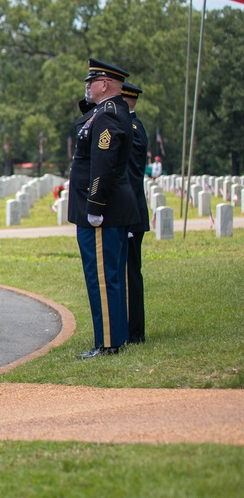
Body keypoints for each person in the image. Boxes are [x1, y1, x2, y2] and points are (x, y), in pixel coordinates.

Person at [68, 59, 139, 359]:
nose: (88, 85)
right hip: (108, 209)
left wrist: (94, 206)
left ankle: (108, 342)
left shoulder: (108, 116)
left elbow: (103, 165)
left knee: (102, 277)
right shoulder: (103, 113)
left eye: (92, 80)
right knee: (109, 276)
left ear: (106, 84)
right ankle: (115, 338)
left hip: (102, 211)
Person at [122, 82, 150, 344]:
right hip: (130, 213)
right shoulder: (131, 127)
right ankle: (129, 329)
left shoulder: (132, 129)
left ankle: (135, 332)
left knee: (131, 274)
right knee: (128, 272)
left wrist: (128, 217)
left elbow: (130, 176)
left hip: (131, 215)